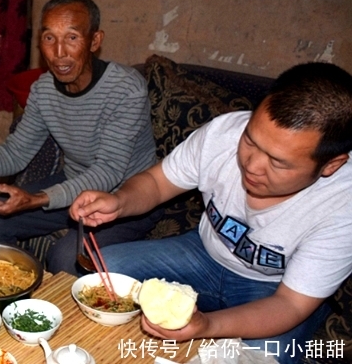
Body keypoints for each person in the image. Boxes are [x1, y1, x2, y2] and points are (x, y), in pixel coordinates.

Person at [69, 62, 352, 363]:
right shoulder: (224, 132)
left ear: (330, 165)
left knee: (271, 356)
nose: (252, 165)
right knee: (102, 272)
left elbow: (291, 305)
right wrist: (121, 200)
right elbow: (156, 182)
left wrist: (206, 326)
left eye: (278, 162)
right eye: (250, 141)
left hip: (274, 289)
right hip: (202, 253)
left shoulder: (342, 205)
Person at [0, 0, 159, 274]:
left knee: (65, 258)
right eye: (49, 38)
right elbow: (16, 152)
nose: (59, 52)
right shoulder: (44, 90)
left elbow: (108, 171)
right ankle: (6, 290)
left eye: (72, 38)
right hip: (74, 186)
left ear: (94, 41)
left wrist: (36, 199)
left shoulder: (125, 88)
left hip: (127, 200)